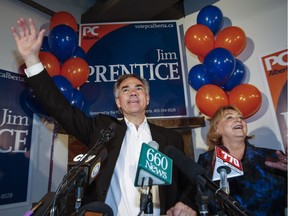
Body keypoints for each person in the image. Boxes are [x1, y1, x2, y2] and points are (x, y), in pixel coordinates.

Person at [11, 18, 197, 216]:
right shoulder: (102, 129)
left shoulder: (171, 140)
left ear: (147, 98)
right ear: (118, 102)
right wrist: (31, 59)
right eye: (126, 89)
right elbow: (61, 108)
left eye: (139, 88)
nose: (133, 93)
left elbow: (190, 184)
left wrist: (186, 204)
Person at [196, 105, 287, 215]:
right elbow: (199, 197)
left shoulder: (271, 157)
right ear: (217, 129)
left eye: (241, 117)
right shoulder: (206, 160)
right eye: (229, 117)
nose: (239, 119)